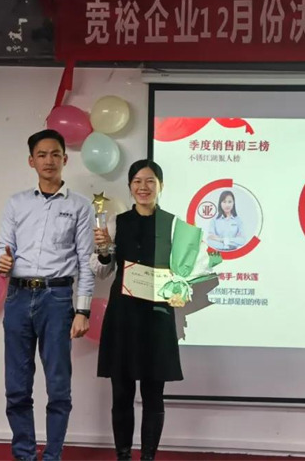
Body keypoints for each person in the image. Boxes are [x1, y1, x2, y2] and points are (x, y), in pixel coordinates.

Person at [91, 159, 218, 461]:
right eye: (137, 181)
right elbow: (101, 271)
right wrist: (105, 251)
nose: (143, 187)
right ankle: (123, 456)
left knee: (153, 394)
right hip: (123, 316)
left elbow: (189, 266)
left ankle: (148, 457)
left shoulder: (174, 225)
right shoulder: (116, 223)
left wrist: (181, 284)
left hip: (157, 317)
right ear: (130, 187)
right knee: (122, 393)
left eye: (150, 181)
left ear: (161, 186)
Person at [0, 129, 95, 461]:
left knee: (58, 385)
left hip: (57, 298)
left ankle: (53, 455)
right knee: (17, 385)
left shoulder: (80, 206)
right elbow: (3, 247)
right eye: (41, 155)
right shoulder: (16, 203)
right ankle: (24, 454)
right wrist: (0, 260)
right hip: (18, 297)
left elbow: (86, 261)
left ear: (65, 159)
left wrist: (83, 310)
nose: (48, 160)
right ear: (31, 161)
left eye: (55, 154)